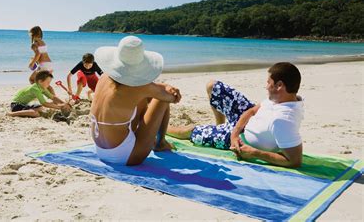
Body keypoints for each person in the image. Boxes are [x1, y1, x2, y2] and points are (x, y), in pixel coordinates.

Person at [167, 62, 304, 168]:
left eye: (268, 83)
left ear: (279, 85)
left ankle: (157, 126)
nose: (266, 86)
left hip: (242, 140)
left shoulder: (283, 119)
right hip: (241, 126)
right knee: (213, 86)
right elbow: (251, 111)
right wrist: (235, 133)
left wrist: (254, 153)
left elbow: (294, 161)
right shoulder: (283, 98)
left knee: (189, 131)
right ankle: (220, 126)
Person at [90, 36, 181, 166]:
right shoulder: (138, 87)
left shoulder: (104, 78)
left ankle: (157, 141)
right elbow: (170, 97)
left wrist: (162, 87)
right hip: (126, 156)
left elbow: (149, 88)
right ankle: (160, 143)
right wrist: (170, 90)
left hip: (100, 150)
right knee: (161, 99)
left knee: (149, 95)